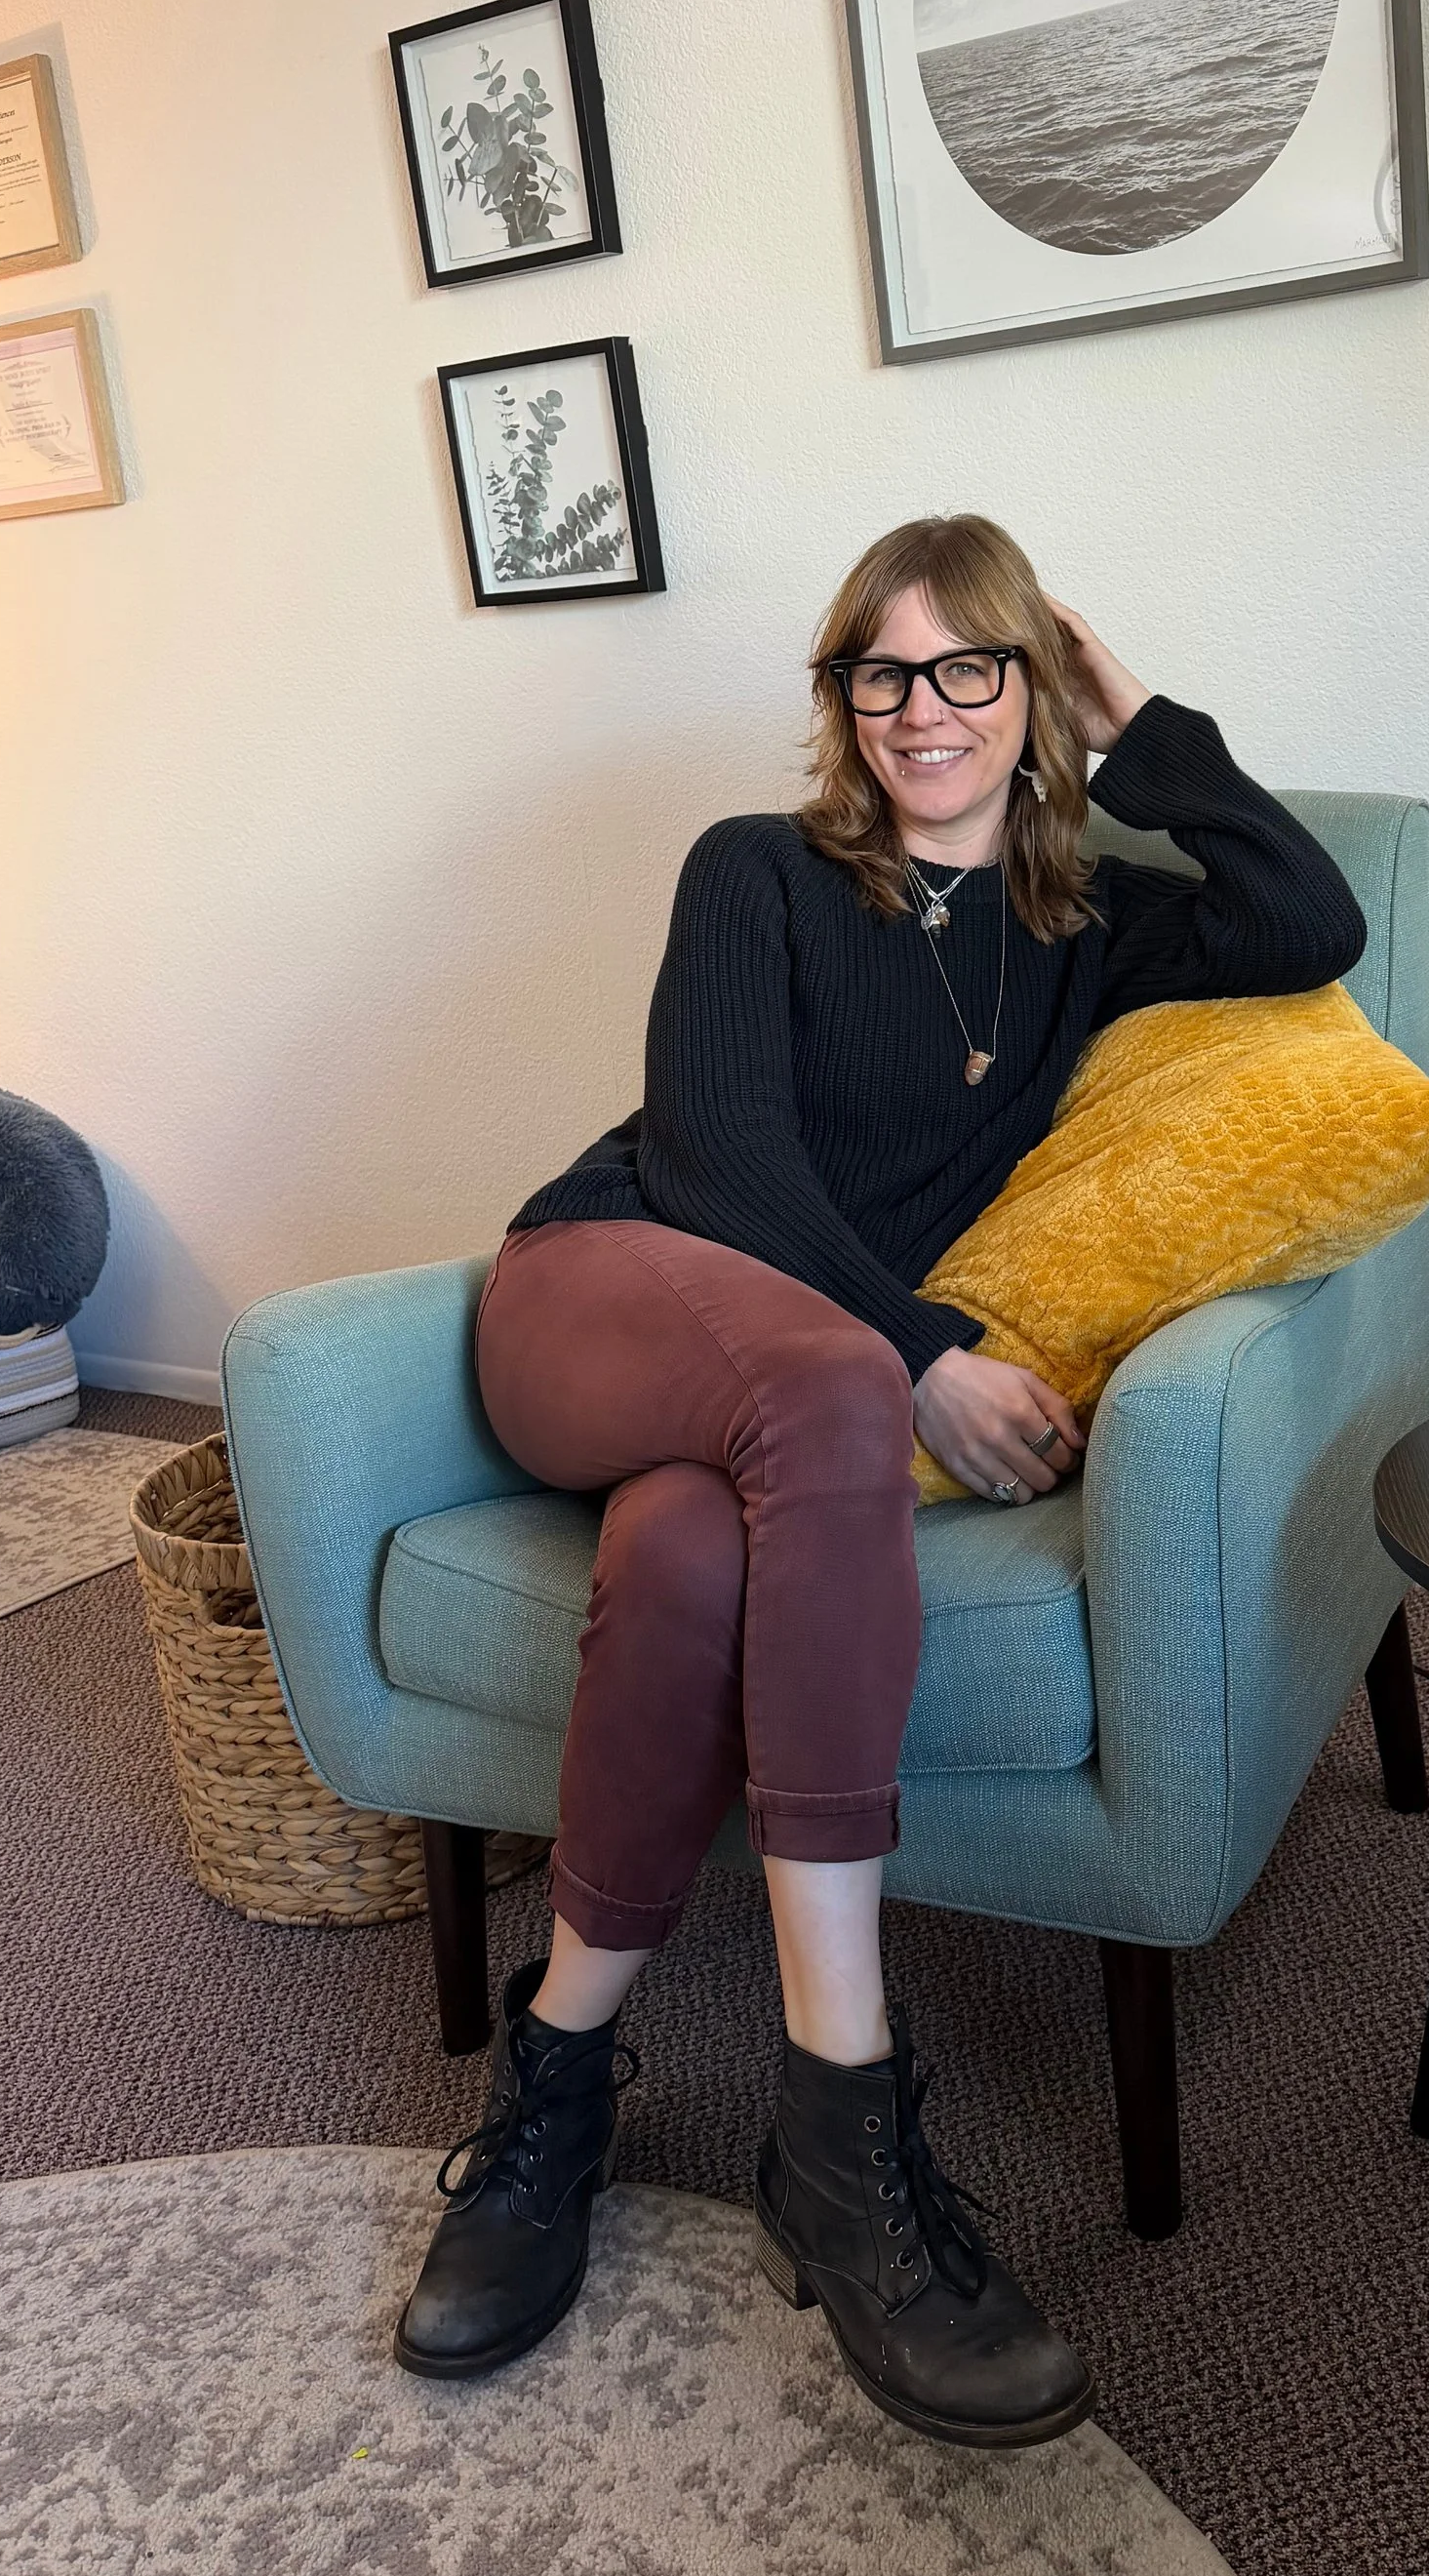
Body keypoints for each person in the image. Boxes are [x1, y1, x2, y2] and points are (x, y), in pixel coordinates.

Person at [397, 512, 1367, 2446]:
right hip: (602, 1298)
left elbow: (1306, 926)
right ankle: (842, 2111)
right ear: (839, 701)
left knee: (684, 1567)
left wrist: (1139, 713)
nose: (919, 710)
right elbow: (721, 1173)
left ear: (1029, 687)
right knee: (838, 1382)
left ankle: (555, 2087)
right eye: (880, 672)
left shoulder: (1088, 921)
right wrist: (923, 1358)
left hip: (762, 1417)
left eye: (967, 668)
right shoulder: (752, 872)